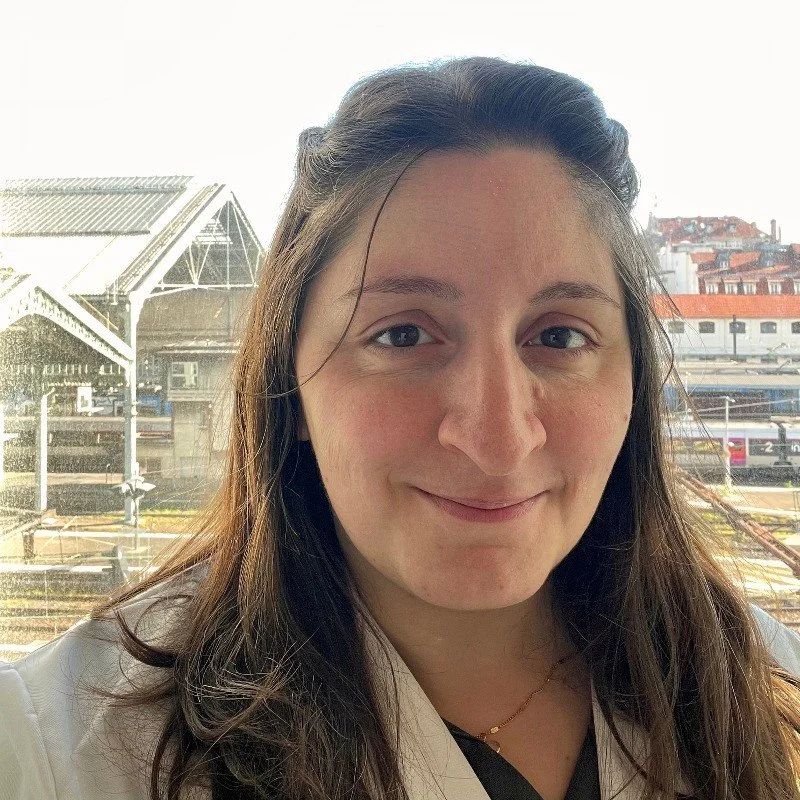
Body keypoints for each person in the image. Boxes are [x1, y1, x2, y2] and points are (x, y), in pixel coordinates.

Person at [1, 57, 799, 800]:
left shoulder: (769, 685)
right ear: (288, 384)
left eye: (559, 336)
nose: (498, 438)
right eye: (403, 334)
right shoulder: (52, 753)